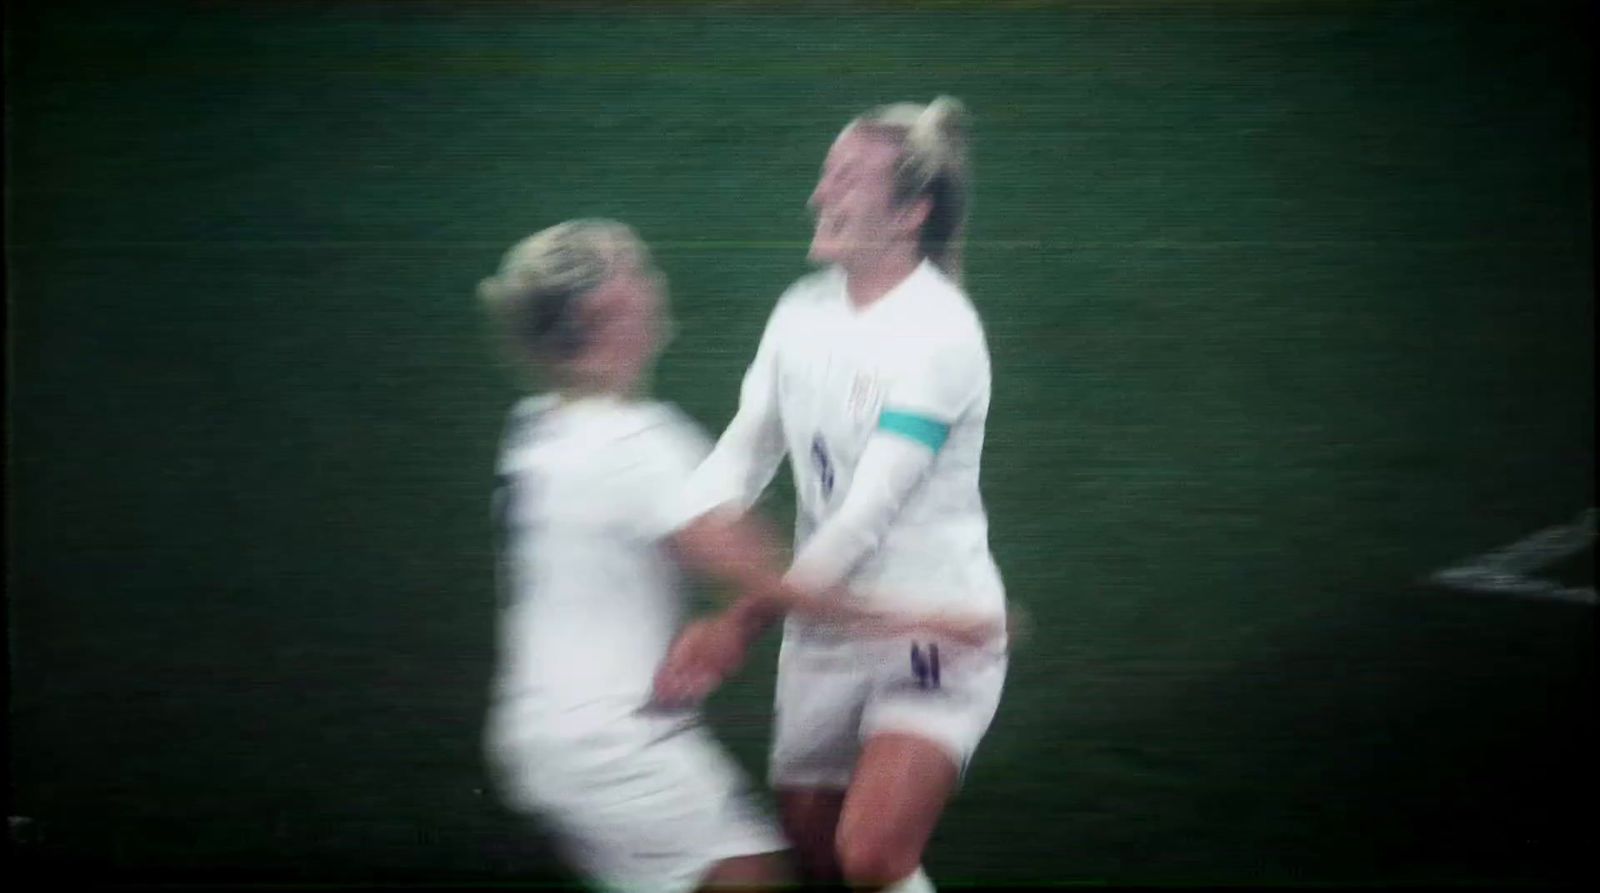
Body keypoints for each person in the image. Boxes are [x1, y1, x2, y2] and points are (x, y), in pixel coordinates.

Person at [478, 219, 993, 893]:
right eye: (635, 271)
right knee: (751, 875)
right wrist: (924, 619)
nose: (654, 282)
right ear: (600, 310)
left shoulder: (536, 426)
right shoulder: (637, 446)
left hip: (535, 738)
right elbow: (774, 578)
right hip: (615, 744)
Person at [655, 96, 1007, 893]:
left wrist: (738, 621)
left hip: (932, 628)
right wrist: (679, 531)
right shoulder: (799, 312)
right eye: (826, 174)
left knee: (872, 854)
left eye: (847, 179)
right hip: (821, 634)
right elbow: (744, 453)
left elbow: (863, 518)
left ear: (911, 212)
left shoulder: (942, 336)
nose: (821, 195)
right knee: (814, 854)